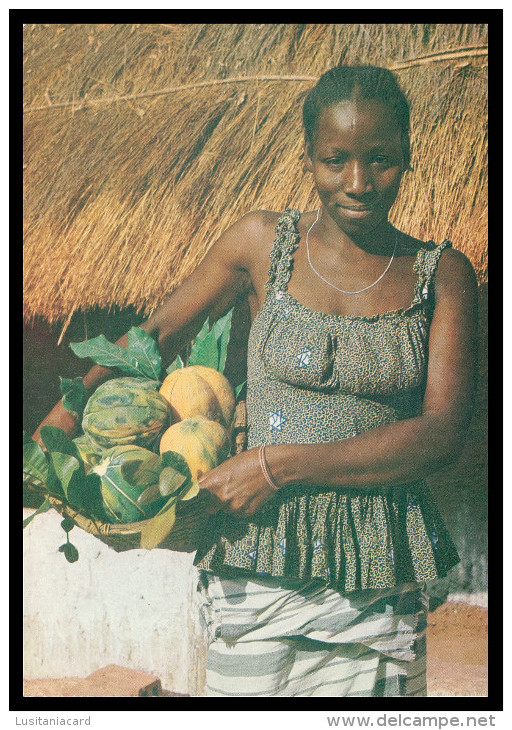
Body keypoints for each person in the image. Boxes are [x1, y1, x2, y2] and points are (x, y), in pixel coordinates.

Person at [33, 65, 478, 697]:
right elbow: (156, 335)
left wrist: (275, 466)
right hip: (254, 560)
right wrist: (67, 411)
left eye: (379, 159)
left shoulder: (443, 275)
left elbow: (441, 434)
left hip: (377, 580)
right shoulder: (261, 243)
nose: (357, 182)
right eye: (335, 160)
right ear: (309, 159)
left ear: (407, 156)